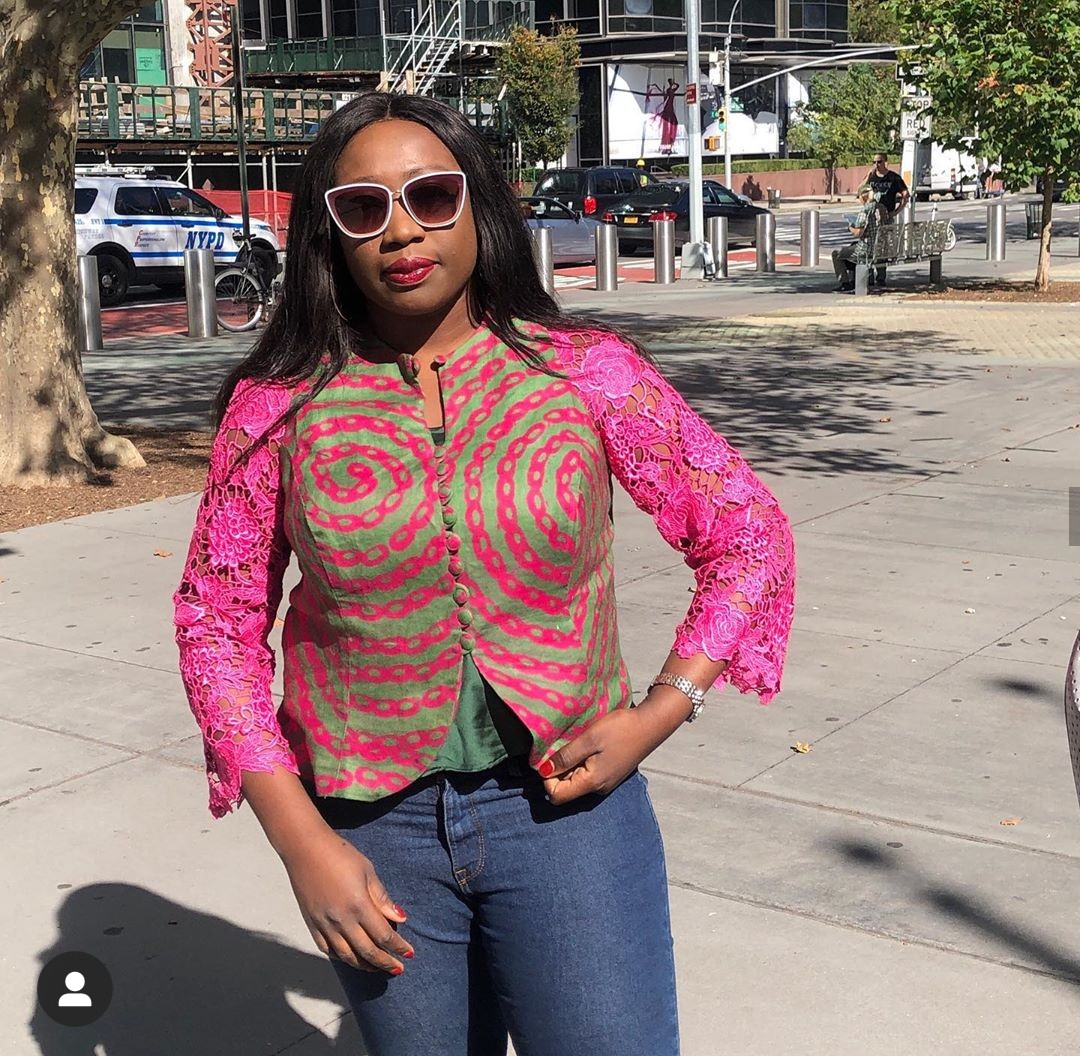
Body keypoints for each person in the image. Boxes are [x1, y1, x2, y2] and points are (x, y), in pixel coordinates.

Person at [173, 92, 796, 1056]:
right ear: (330, 235)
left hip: (569, 815)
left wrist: (663, 710)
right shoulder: (280, 407)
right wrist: (300, 843)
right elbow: (217, 623)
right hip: (370, 830)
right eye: (363, 209)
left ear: (479, 204)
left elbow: (748, 535)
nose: (401, 232)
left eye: (430, 195)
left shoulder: (586, 374)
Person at [865, 152, 909, 286]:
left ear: (885, 162)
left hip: (886, 216)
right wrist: (868, 176)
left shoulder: (893, 178)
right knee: (870, 246)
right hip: (872, 217)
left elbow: (905, 195)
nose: (876, 165)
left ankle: (881, 276)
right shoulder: (872, 178)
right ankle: (869, 276)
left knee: (882, 247)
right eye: (874, 162)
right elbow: (861, 191)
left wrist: (896, 212)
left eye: (879, 162)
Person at [832, 183, 883, 291]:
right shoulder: (881, 208)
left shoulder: (865, 211)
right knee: (853, 245)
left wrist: (850, 227)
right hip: (881, 248)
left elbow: (858, 233)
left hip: (867, 249)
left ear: (863, 197)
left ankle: (845, 283)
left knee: (836, 254)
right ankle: (861, 279)